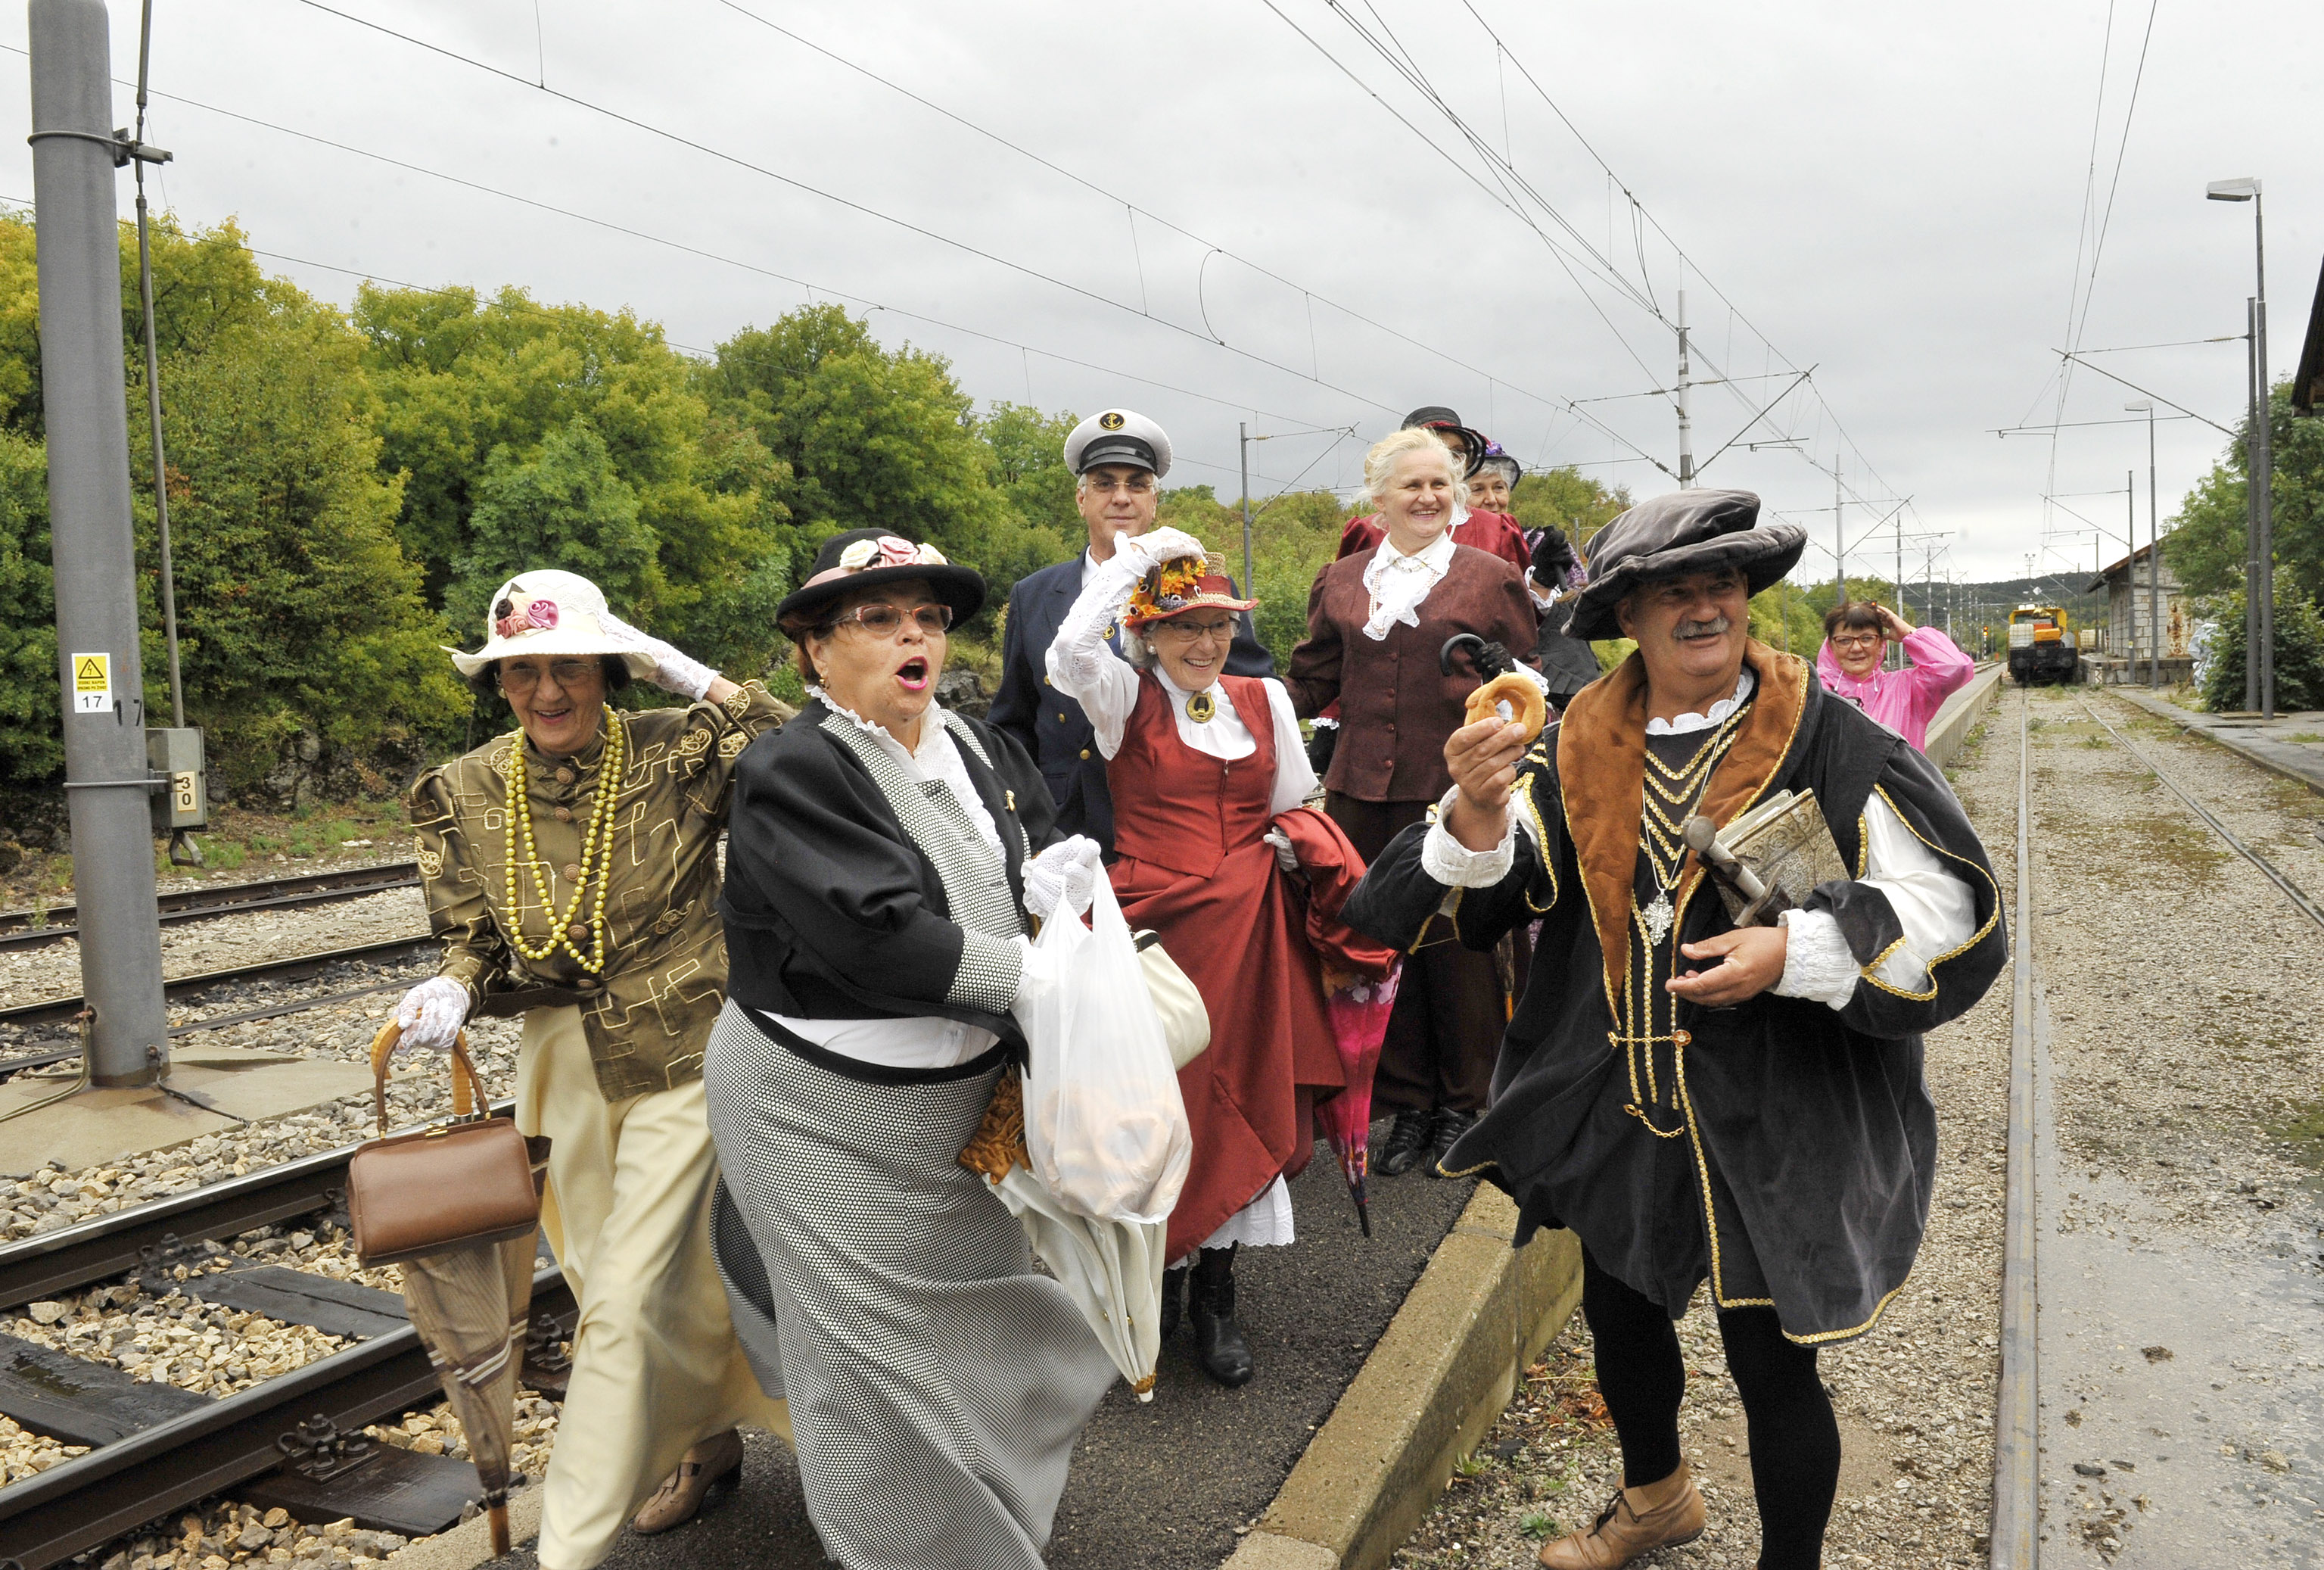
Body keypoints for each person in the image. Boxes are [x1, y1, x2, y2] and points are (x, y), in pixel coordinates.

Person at [1343, 490, 2006, 1570]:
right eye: (1672, 593)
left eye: (1719, 588)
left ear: (1743, 601)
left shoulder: (1835, 741)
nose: (1701, 609)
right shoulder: (1571, 745)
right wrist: (1471, 808)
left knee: (1770, 1359)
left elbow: (1948, 914)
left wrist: (1792, 953)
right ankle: (1654, 1499)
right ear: (1629, 616)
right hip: (1617, 1093)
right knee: (1621, 1313)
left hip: (1775, 1105)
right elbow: (1468, 898)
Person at [709, 528, 1119, 1570]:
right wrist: (1042, 979)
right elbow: (872, 933)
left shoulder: (984, 746)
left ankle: (986, 1525)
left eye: (928, 618)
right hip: (817, 1115)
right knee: (869, 1370)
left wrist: (1073, 911)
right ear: (813, 649)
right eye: (879, 617)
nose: (913, 635)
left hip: (953, 1109)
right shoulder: (791, 767)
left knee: (999, 1335)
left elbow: (1032, 869)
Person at [395, 570, 795, 1570]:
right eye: (521, 671)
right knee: (609, 1277)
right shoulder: (464, 789)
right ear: (498, 684)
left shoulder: (676, 746)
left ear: (608, 667)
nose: (547, 691)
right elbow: (471, 939)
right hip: (560, 1065)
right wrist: (451, 987)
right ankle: (700, 1447)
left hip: (688, 1052)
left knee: (626, 1293)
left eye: (567, 664)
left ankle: (566, 1544)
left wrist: (684, 670)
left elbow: (802, 757)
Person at [1046, 525, 1353, 1387]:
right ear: (1146, 634)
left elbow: (1293, 801)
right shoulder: (1120, 696)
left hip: (1252, 930)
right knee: (1158, 1102)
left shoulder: (1266, 701)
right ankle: (1160, 1284)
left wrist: (1298, 846)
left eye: (1218, 625)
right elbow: (1068, 644)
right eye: (1183, 627)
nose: (1205, 642)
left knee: (1243, 1091)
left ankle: (1217, 1293)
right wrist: (1131, 565)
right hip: (1155, 931)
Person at [1285, 426, 1538, 1180]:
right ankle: (1406, 1106)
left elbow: (1523, 677)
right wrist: (1221, 701)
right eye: (1411, 486)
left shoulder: (1489, 576)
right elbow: (1309, 680)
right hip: (1360, 792)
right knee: (1377, 943)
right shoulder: (1340, 581)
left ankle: (1466, 1104)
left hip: (1454, 790)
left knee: (1458, 951)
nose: (1428, 497)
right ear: (1378, 498)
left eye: (1440, 485)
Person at [990, 408, 1272, 849]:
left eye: (1137, 485)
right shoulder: (1034, 595)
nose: (1121, 498)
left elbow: (1252, 699)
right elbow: (1013, 725)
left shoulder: (1203, 588)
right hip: (1065, 822)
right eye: (1104, 483)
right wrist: (1024, 820)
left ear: (1154, 502)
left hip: (1175, 818)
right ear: (1081, 499)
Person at [1815, 600, 1974, 752]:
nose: (1856, 648)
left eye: (1867, 639)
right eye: (1844, 641)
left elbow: (1956, 666)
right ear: (1830, 646)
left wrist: (1908, 632)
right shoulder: (1814, 692)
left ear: (1881, 643)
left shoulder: (1908, 688)